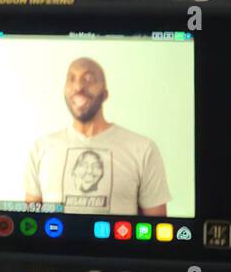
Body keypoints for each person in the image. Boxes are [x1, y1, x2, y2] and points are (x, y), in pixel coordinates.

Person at [23, 56, 170, 217]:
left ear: (105, 93)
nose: (78, 86)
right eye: (71, 79)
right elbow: (29, 223)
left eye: (89, 79)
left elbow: (158, 227)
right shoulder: (41, 148)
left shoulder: (142, 149)